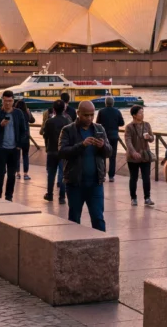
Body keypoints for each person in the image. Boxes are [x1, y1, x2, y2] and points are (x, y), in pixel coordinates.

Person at [58, 101, 111, 231]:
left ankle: (102, 248)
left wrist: (102, 146)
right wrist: (82, 145)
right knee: (74, 219)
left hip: (95, 183)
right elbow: (62, 152)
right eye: (86, 115)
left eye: (92, 115)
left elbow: (109, 152)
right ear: (78, 113)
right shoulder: (68, 130)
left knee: (98, 218)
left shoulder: (99, 129)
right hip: (75, 183)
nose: (89, 118)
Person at [0, 90, 29, 201]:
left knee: (12, 174)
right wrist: (0, 125)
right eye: (5, 101)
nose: (7, 103)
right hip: (0, 147)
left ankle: (9, 195)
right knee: (0, 171)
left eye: (10, 101)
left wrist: (19, 145)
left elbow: (23, 130)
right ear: (2, 100)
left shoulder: (18, 113)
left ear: (13, 101)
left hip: (14, 148)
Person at [124, 105, 153, 206]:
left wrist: (149, 137)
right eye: (140, 113)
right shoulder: (129, 127)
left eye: (143, 112)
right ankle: (133, 198)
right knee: (133, 177)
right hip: (133, 157)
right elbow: (127, 141)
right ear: (134, 115)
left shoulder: (147, 125)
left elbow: (152, 139)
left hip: (145, 155)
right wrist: (133, 152)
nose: (142, 114)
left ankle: (147, 197)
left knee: (146, 177)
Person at [42, 100, 69, 204]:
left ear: (53, 109)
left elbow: (45, 136)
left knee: (51, 174)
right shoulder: (67, 122)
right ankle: (62, 197)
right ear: (64, 109)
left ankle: (50, 194)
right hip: (63, 152)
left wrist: (47, 147)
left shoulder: (49, 122)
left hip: (52, 151)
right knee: (62, 175)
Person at [96, 96, 125, 183]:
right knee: (113, 156)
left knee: (103, 155)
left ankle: (103, 174)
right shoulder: (117, 111)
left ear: (105, 103)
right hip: (114, 136)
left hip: (104, 137)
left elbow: (97, 123)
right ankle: (111, 176)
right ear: (113, 103)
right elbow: (122, 123)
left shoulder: (101, 111)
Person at [15, 100, 35, 180]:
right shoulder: (27, 112)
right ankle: (26, 174)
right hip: (26, 137)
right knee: (25, 155)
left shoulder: (16, 113)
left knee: (17, 156)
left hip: (17, 137)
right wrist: (29, 112)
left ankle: (18, 173)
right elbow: (32, 121)